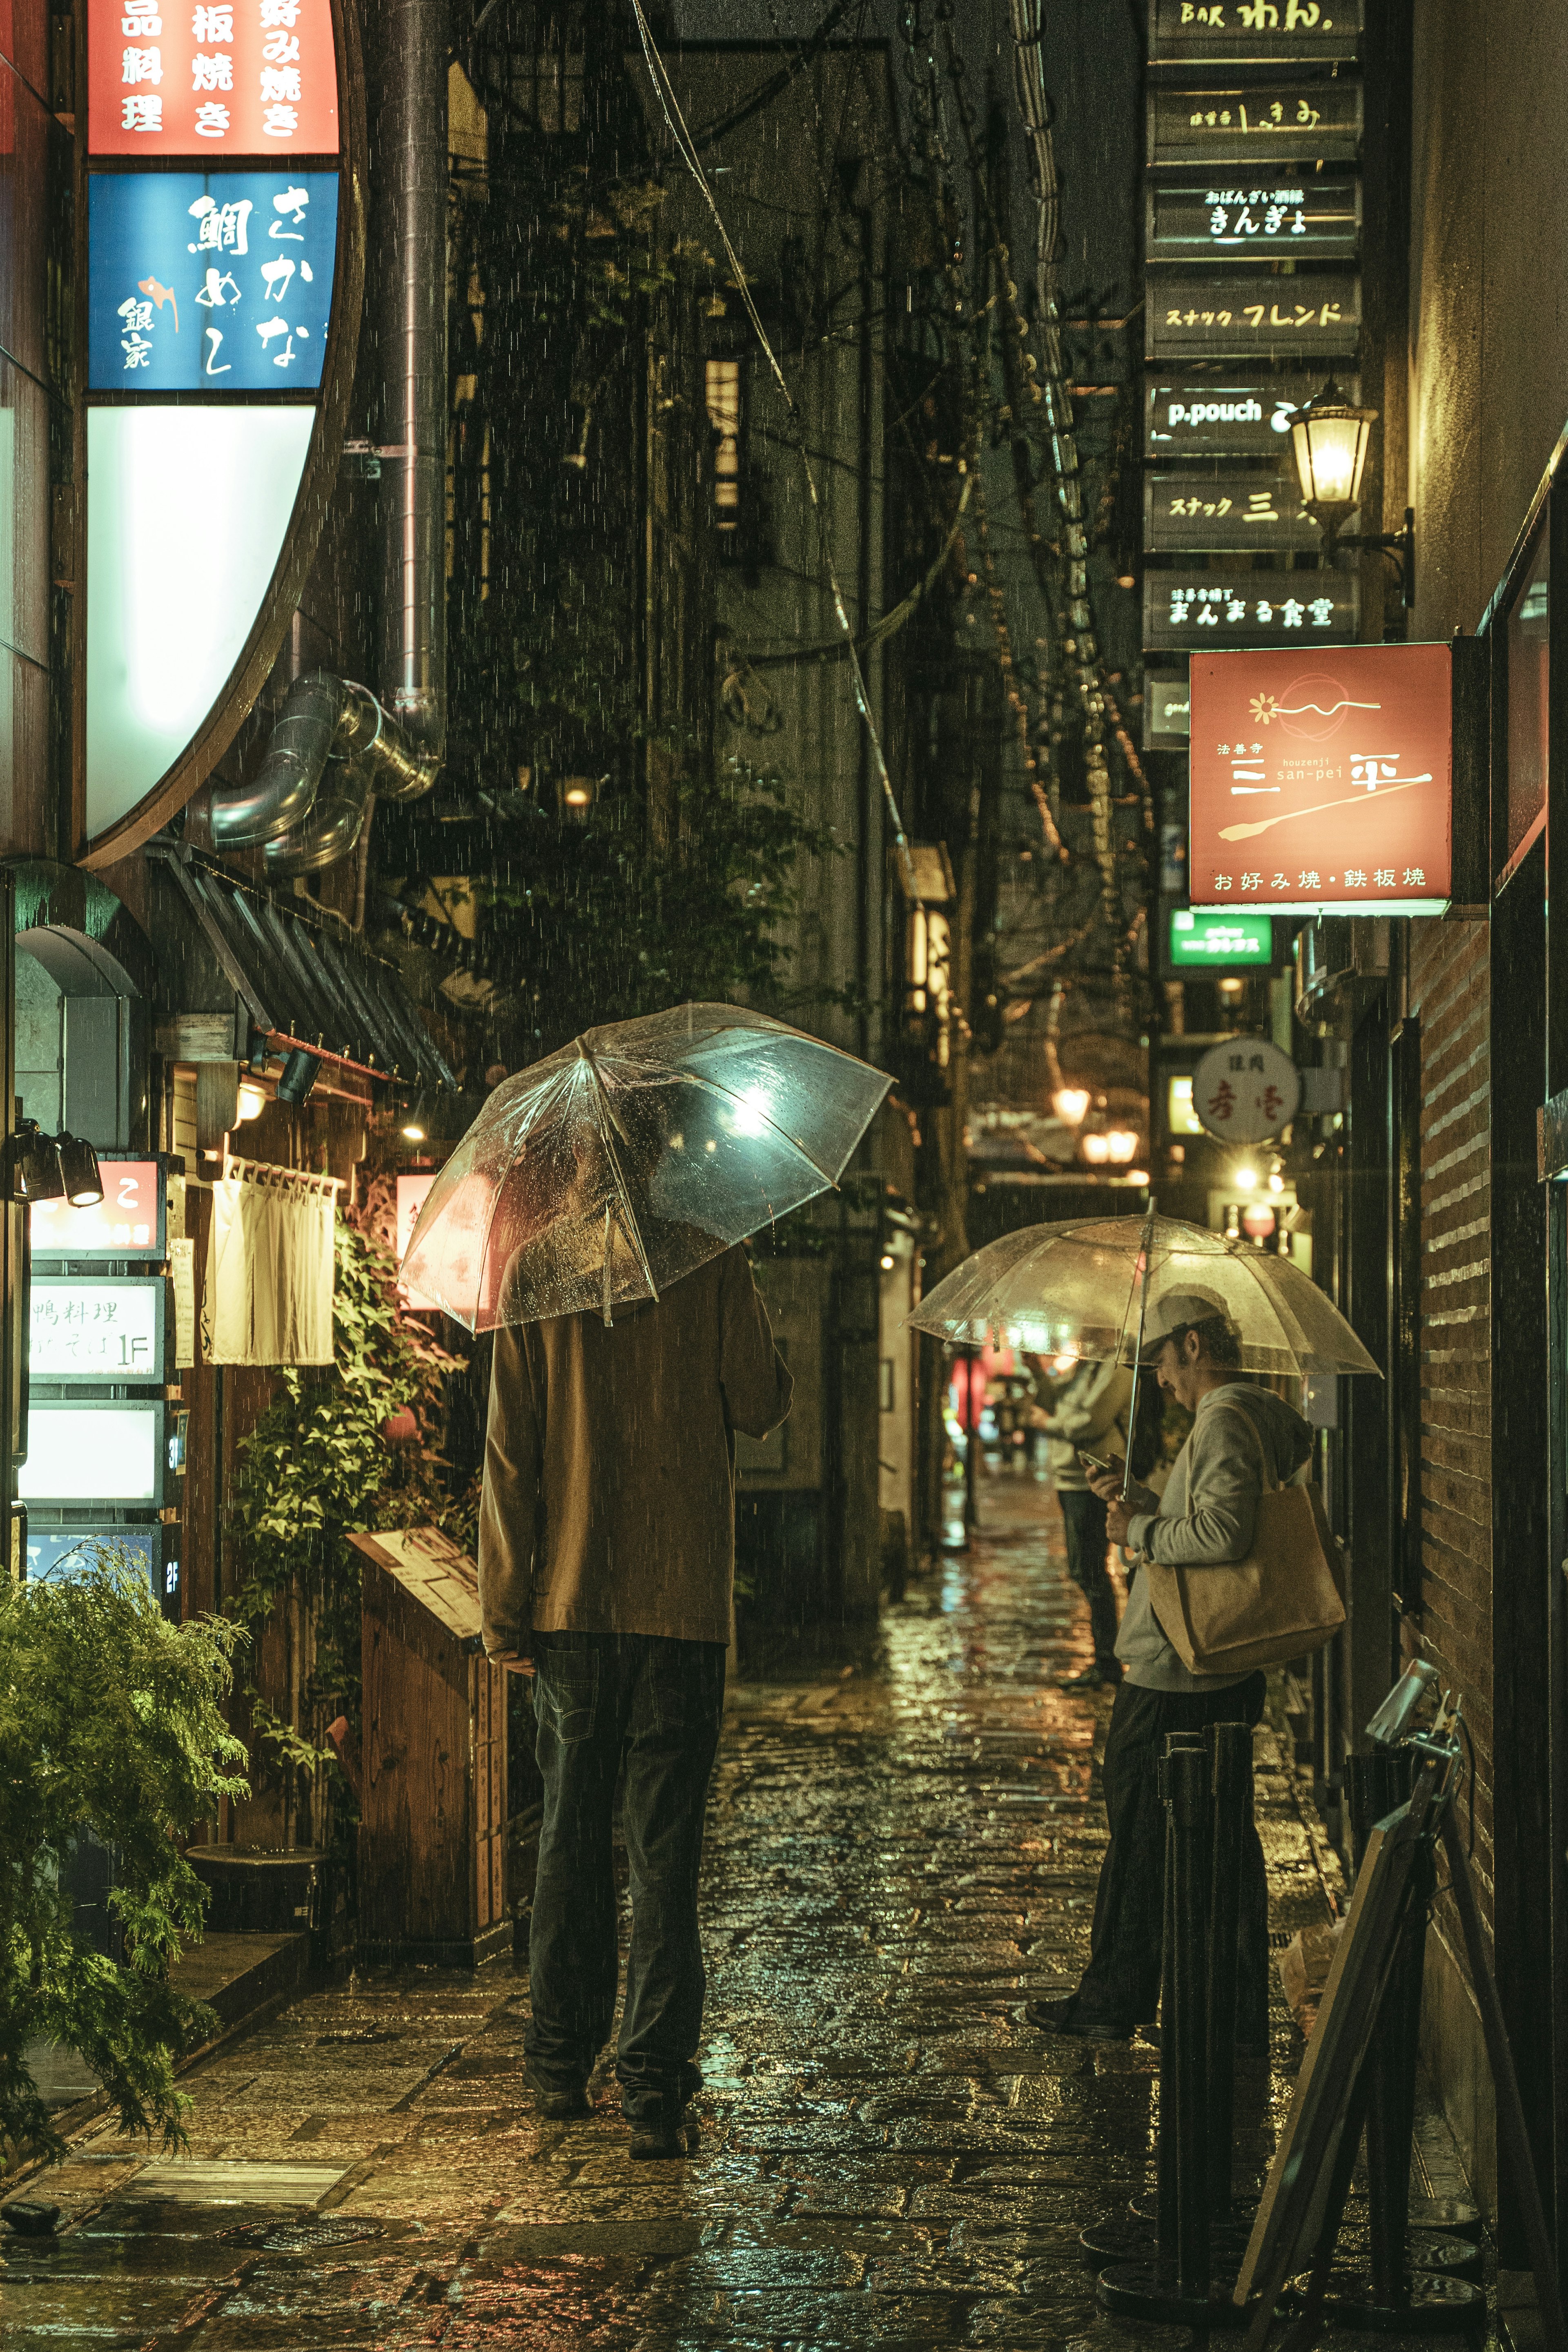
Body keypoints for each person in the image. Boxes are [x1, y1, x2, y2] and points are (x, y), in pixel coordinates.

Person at [477, 1244, 792, 2157]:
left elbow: (510, 1452)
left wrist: (504, 1607)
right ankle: (653, 2089)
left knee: (570, 1840)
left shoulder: (539, 1272)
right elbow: (764, 1404)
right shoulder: (715, 1258)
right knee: (666, 1856)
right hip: (683, 1605)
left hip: (571, 1601)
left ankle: (559, 2063)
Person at [1025, 1290, 1313, 2044]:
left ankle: (1114, 1999)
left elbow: (1221, 1530)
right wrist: (1148, 1499)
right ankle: (1227, 2006)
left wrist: (1139, 1527)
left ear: (1192, 1344)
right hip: (1208, 1666)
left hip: (1177, 1668)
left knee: (1141, 1830)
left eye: (1159, 1358)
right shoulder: (1243, 1415)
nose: (1157, 1377)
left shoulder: (1221, 1418)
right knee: (1216, 1838)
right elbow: (1216, 1516)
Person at [1031, 1354, 1134, 1688]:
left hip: (1091, 1482)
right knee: (1083, 1569)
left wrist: (1048, 1423)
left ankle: (1108, 1661)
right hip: (1070, 1480)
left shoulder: (1115, 1368)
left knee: (1090, 1570)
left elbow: (1090, 1422)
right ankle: (1105, 1658)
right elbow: (1054, 1401)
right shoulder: (1083, 1367)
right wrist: (1037, 1371)